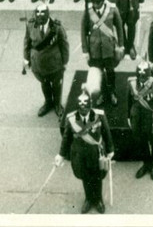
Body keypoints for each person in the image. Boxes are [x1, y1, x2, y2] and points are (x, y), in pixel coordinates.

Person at [56, 85, 113, 215]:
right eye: (81, 109)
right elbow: (66, 139)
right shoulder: (71, 120)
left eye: (86, 108)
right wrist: (61, 155)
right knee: (85, 178)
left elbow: (107, 134)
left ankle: (98, 200)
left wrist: (110, 150)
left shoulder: (99, 116)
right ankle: (88, 199)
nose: (84, 111)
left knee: (97, 179)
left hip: (96, 155)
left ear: (90, 105)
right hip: (80, 155)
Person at [22, 0, 69, 117]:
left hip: (54, 64)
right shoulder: (31, 25)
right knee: (44, 84)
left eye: (43, 12)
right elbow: (27, 42)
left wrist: (64, 61)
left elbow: (64, 45)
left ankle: (58, 104)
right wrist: (26, 59)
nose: (39, 15)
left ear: (48, 14)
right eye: (37, 12)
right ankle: (48, 102)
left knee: (57, 85)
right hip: (38, 64)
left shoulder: (56, 27)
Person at [81, 0, 124, 107]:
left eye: (99, 2)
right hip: (94, 50)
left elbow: (120, 28)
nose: (96, 4)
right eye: (94, 2)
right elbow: (83, 32)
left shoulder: (112, 10)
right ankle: (102, 94)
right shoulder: (88, 12)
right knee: (98, 73)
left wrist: (121, 46)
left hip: (109, 48)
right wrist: (85, 50)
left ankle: (112, 92)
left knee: (110, 72)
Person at [128, 59, 153, 181]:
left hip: (152, 119)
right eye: (140, 76)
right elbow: (129, 101)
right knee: (142, 142)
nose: (142, 79)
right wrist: (128, 117)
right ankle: (146, 163)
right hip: (138, 119)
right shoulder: (132, 84)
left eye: (144, 77)